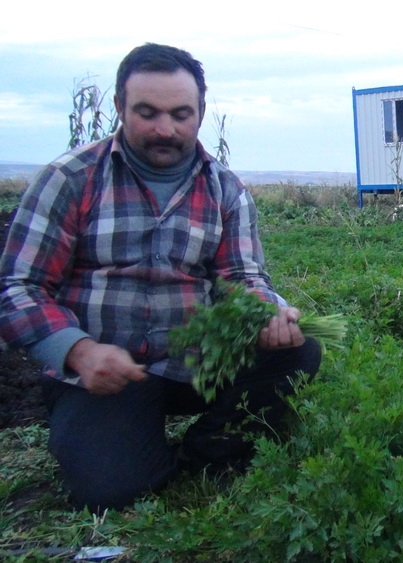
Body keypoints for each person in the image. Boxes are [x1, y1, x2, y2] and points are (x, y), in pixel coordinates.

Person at [0, 43, 322, 511]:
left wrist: (268, 311)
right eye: (147, 113)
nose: (165, 129)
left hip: (195, 365)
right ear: (119, 107)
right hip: (105, 373)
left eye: (180, 114)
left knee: (299, 351)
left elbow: (242, 276)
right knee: (110, 490)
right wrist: (80, 351)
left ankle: (208, 450)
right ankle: (119, 438)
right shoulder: (71, 179)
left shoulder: (226, 189)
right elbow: (17, 288)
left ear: (201, 112)